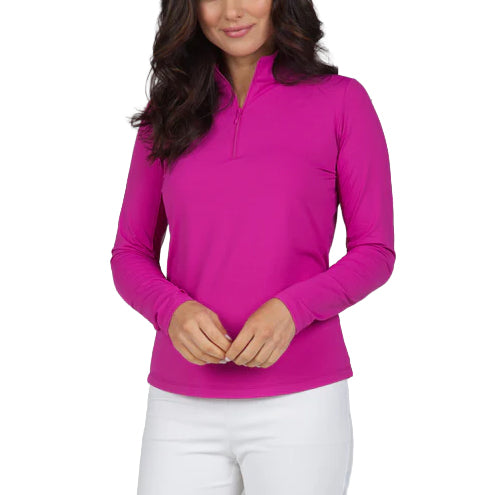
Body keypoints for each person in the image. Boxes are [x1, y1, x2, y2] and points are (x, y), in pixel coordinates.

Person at [110, 1, 395, 493]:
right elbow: (129, 252)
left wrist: (292, 310)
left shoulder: (341, 101)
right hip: (180, 406)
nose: (231, 11)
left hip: (301, 403)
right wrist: (171, 311)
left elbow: (375, 250)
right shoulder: (169, 111)